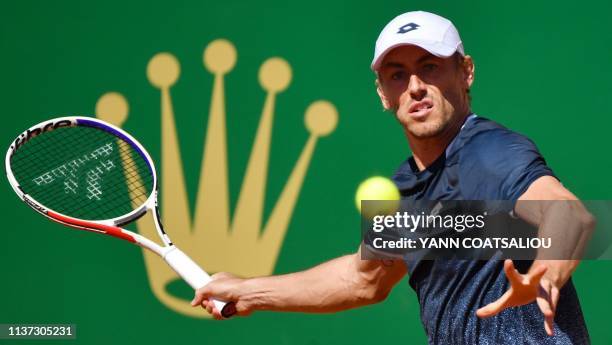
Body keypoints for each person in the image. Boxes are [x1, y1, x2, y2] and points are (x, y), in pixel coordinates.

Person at [191, 11, 594, 344]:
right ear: (384, 93)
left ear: (465, 71)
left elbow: (570, 215)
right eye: (397, 75)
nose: (415, 87)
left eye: (430, 67)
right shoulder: (404, 190)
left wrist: (547, 275)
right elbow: (362, 279)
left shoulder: (489, 150)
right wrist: (249, 292)